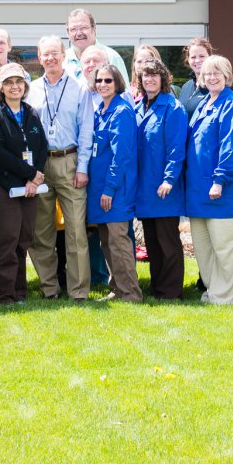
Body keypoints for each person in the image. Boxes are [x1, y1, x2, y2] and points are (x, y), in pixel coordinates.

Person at [175, 54, 233, 306]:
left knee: (224, 248)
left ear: (227, 76)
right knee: (204, 248)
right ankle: (213, 291)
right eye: (207, 73)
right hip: (198, 191)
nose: (211, 77)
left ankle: (228, 296)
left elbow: (231, 147)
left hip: (222, 190)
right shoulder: (204, 104)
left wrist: (220, 180)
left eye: (216, 73)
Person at [29, 35, 92, 301]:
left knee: (76, 230)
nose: (51, 58)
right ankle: (49, 288)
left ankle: (78, 290)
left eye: (55, 53)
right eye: (46, 54)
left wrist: (82, 167)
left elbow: (86, 130)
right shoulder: (31, 89)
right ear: (39, 57)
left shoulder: (79, 88)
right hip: (40, 164)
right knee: (41, 231)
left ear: (63, 55)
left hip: (69, 160)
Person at [0, 63, 48, 304]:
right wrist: (30, 173)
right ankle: (4, 295)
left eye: (18, 82)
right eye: (9, 83)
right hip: (3, 185)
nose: (14, 87)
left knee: (23, 240)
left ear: (25, 85)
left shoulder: (31, 113)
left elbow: (42, 147)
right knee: (7, 240)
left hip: (29, 185)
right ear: (1, 87)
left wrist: (35, 177)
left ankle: (20, 292)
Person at [83, 60, 142, 302]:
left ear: (117, 83)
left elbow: (122, 156)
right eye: (99, 80)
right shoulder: (100, 110)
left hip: (115, 189)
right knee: (107, 242)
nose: (103, 84)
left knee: (118, 242)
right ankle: (117, 289)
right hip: (99, 188)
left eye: (108, 80)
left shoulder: (121, 111)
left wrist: (110, 188)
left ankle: (131, 293)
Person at [134, 55, 190, 301]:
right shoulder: (139, 107)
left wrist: (169, 179)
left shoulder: (173, 108)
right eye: (145, 75)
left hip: (164, 186)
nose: (149, 79)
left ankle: (171, 291)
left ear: (163, 78)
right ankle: (157, 287)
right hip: (144, 187)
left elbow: (176, 148)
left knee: (168, 242)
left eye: (154, 75)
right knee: (153, 242)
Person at [176, 37, 213, 116]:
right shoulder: (186, 86)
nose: (197, 60)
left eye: (202, 56)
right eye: (193, 57)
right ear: (188, 60)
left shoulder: (215, 86)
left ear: (209, 57)